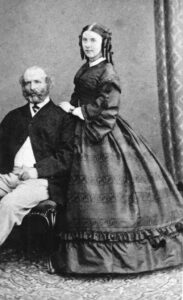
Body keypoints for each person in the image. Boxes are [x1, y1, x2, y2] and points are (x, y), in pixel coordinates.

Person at [52, 23, 183, 274]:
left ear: (104, 44)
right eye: (84, 40)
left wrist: (78, 111)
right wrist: (70, 110)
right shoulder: (86, 68)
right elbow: (79, 93)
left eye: (93, 40)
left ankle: (113, 258)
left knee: (111, 191)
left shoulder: (108, 71)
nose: (88, 45)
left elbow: (109, 106)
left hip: (100, 132)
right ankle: (83, 258)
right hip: (79, 129)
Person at [0, 66, 75, 247]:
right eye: (27, 83)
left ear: (48, 84)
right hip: (9, 176)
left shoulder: (62, 118)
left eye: (37, 82)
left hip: (42, 181)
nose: (31, 87)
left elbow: (67, 156)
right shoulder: (14, 116)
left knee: (9, 205)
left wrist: (36, 171)